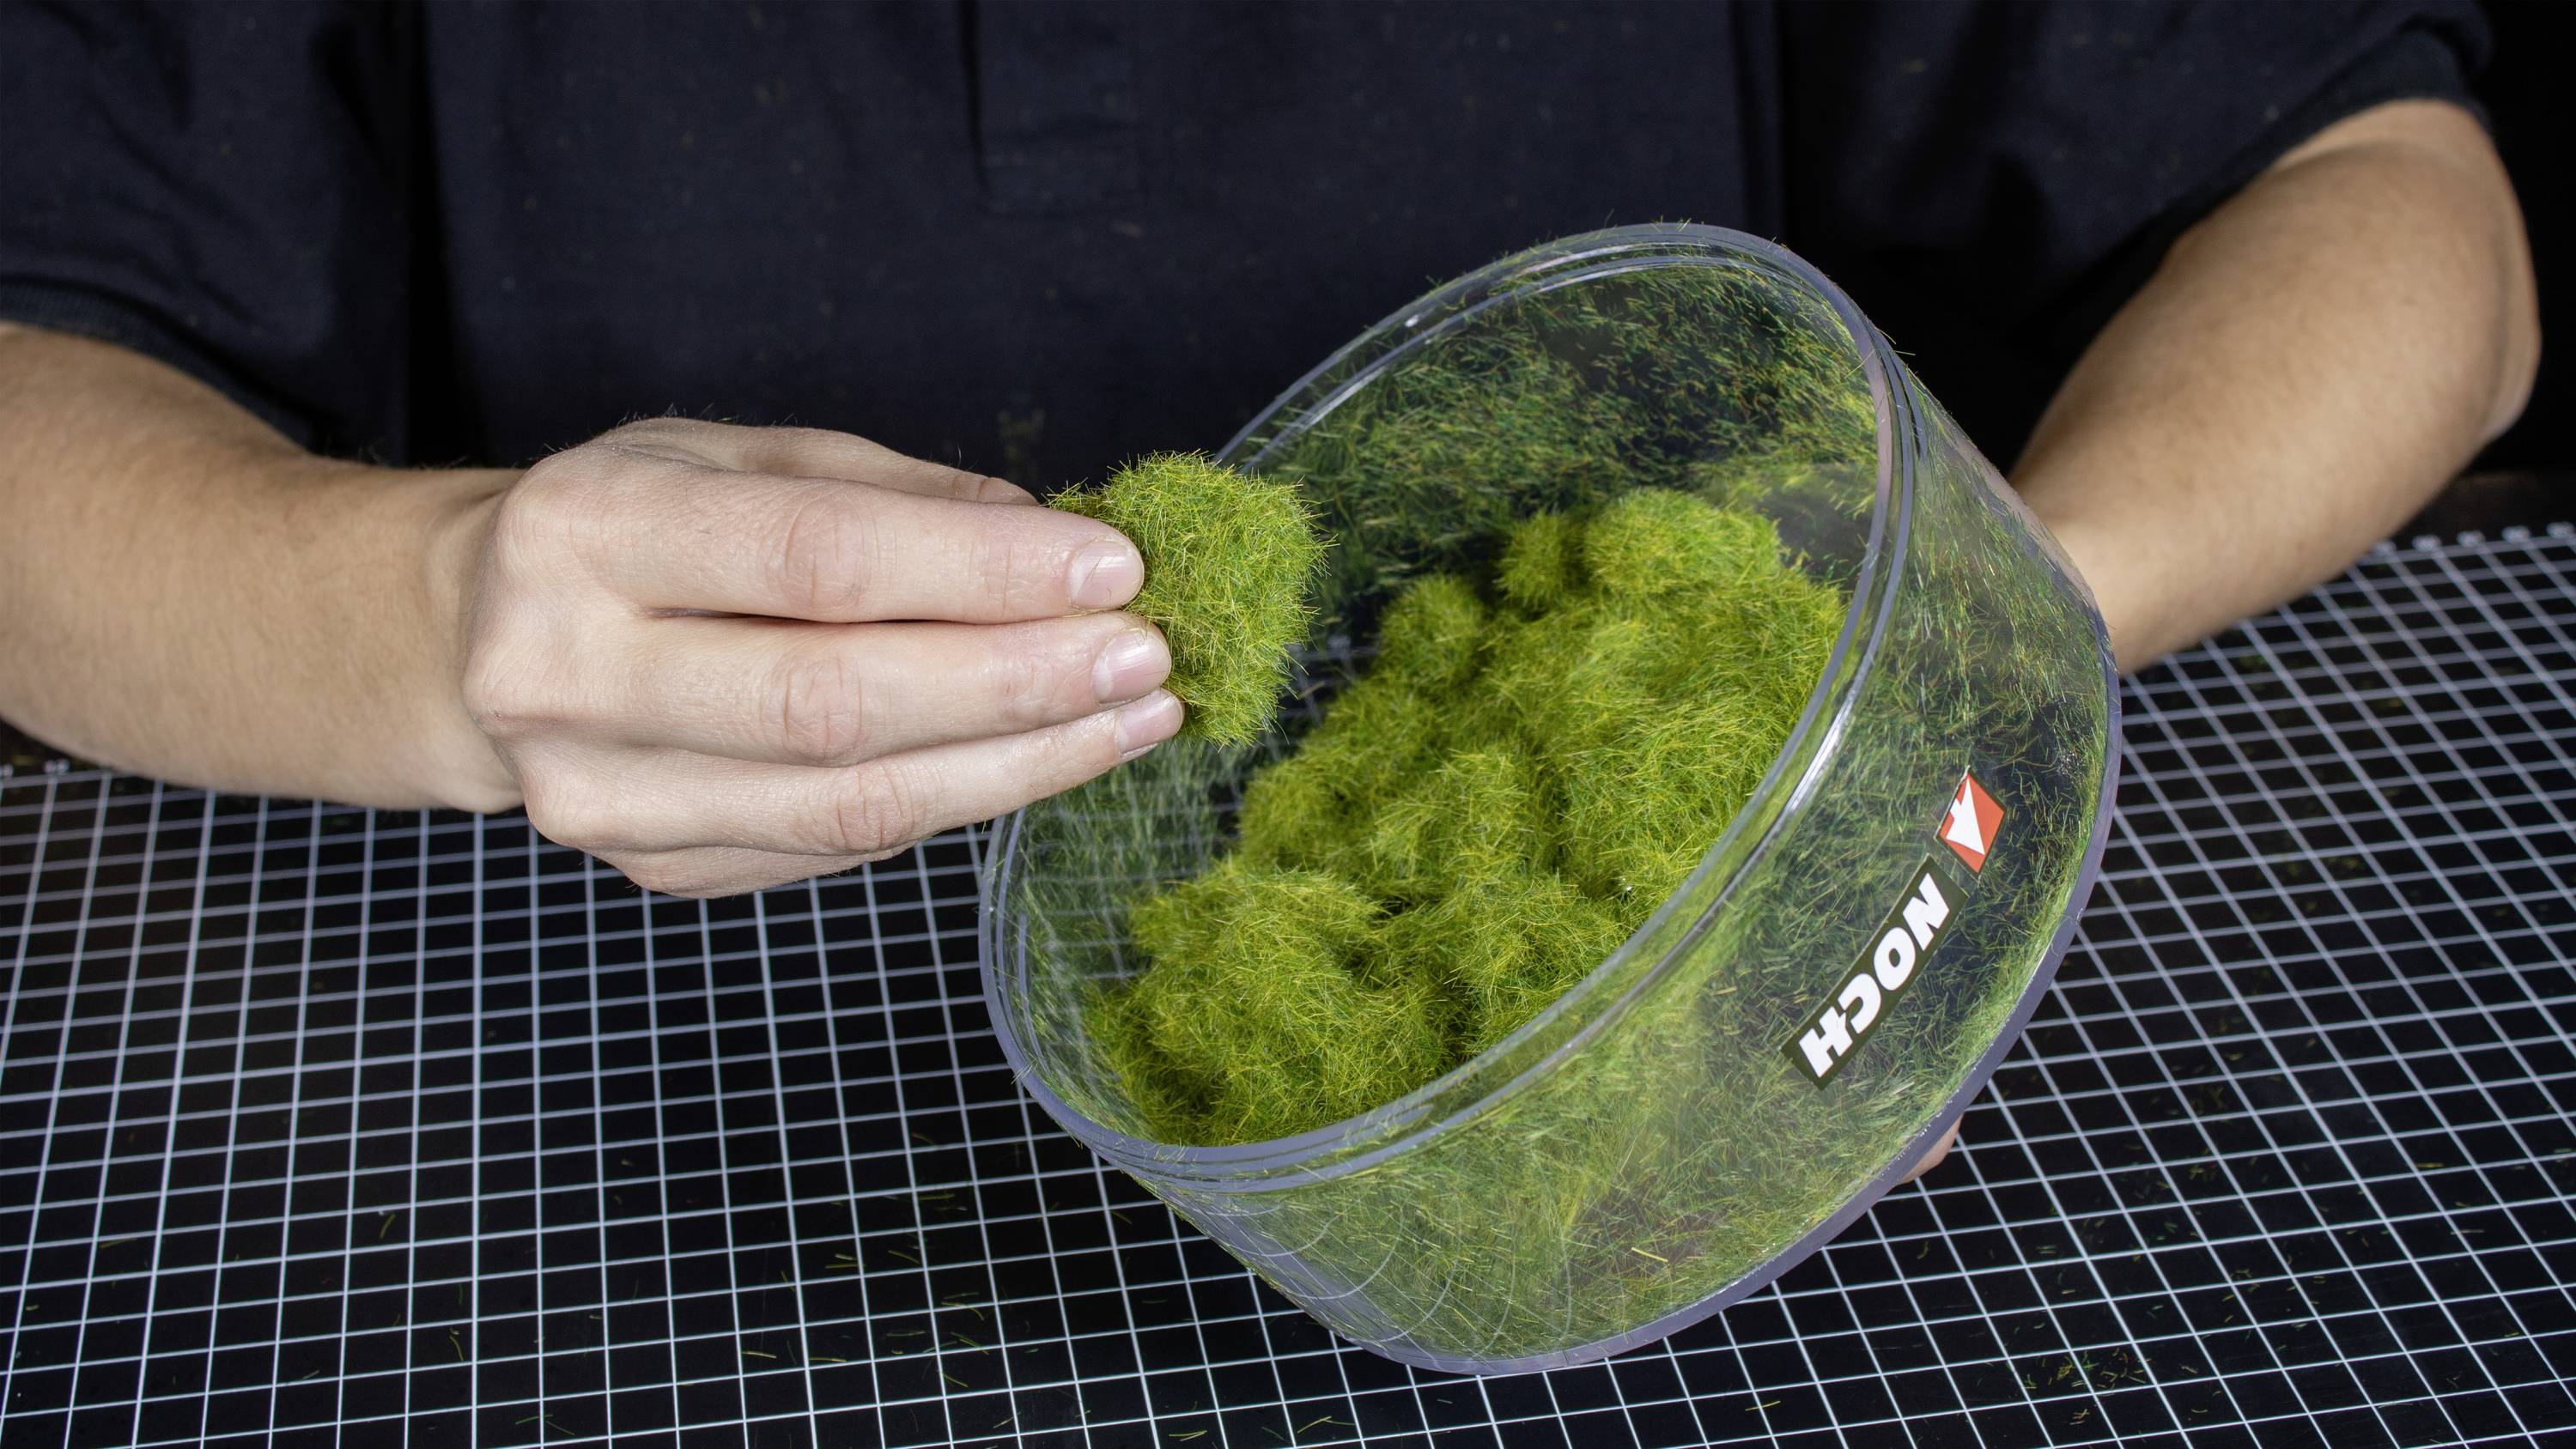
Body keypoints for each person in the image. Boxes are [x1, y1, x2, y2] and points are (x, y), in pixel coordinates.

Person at [0, 3, 2537, 1177]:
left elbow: (2404, 212)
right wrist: (434, 616)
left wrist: (1943, 633)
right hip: (544, 1116)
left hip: (1756, 1068)